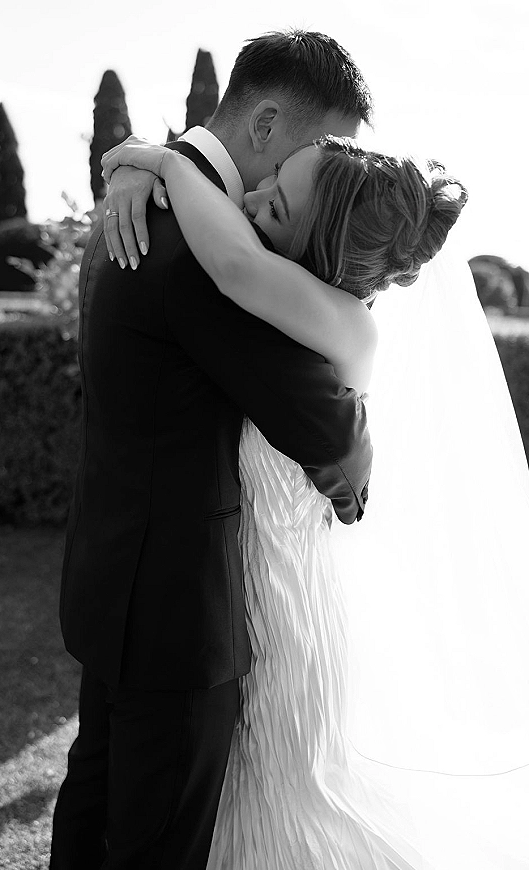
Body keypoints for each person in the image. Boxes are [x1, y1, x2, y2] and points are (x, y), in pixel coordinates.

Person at [101, 132, 529, 869]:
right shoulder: (297, 299)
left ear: (321, 243)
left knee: (292, 815)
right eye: (271, 177)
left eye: (280, 202)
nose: (252, 196)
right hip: (250, 602)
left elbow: (233, 264)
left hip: (292, 616)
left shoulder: (344, 324)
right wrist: (129, 170)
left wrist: (166, 161)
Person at [50, 31, 375, 870]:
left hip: (112, 581)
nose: (322, 174)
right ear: (266, 123)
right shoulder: (200, 244)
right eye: (317, 149)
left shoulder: (134, 201)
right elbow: (329, 430)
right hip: (174, 620)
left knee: (91, 814)